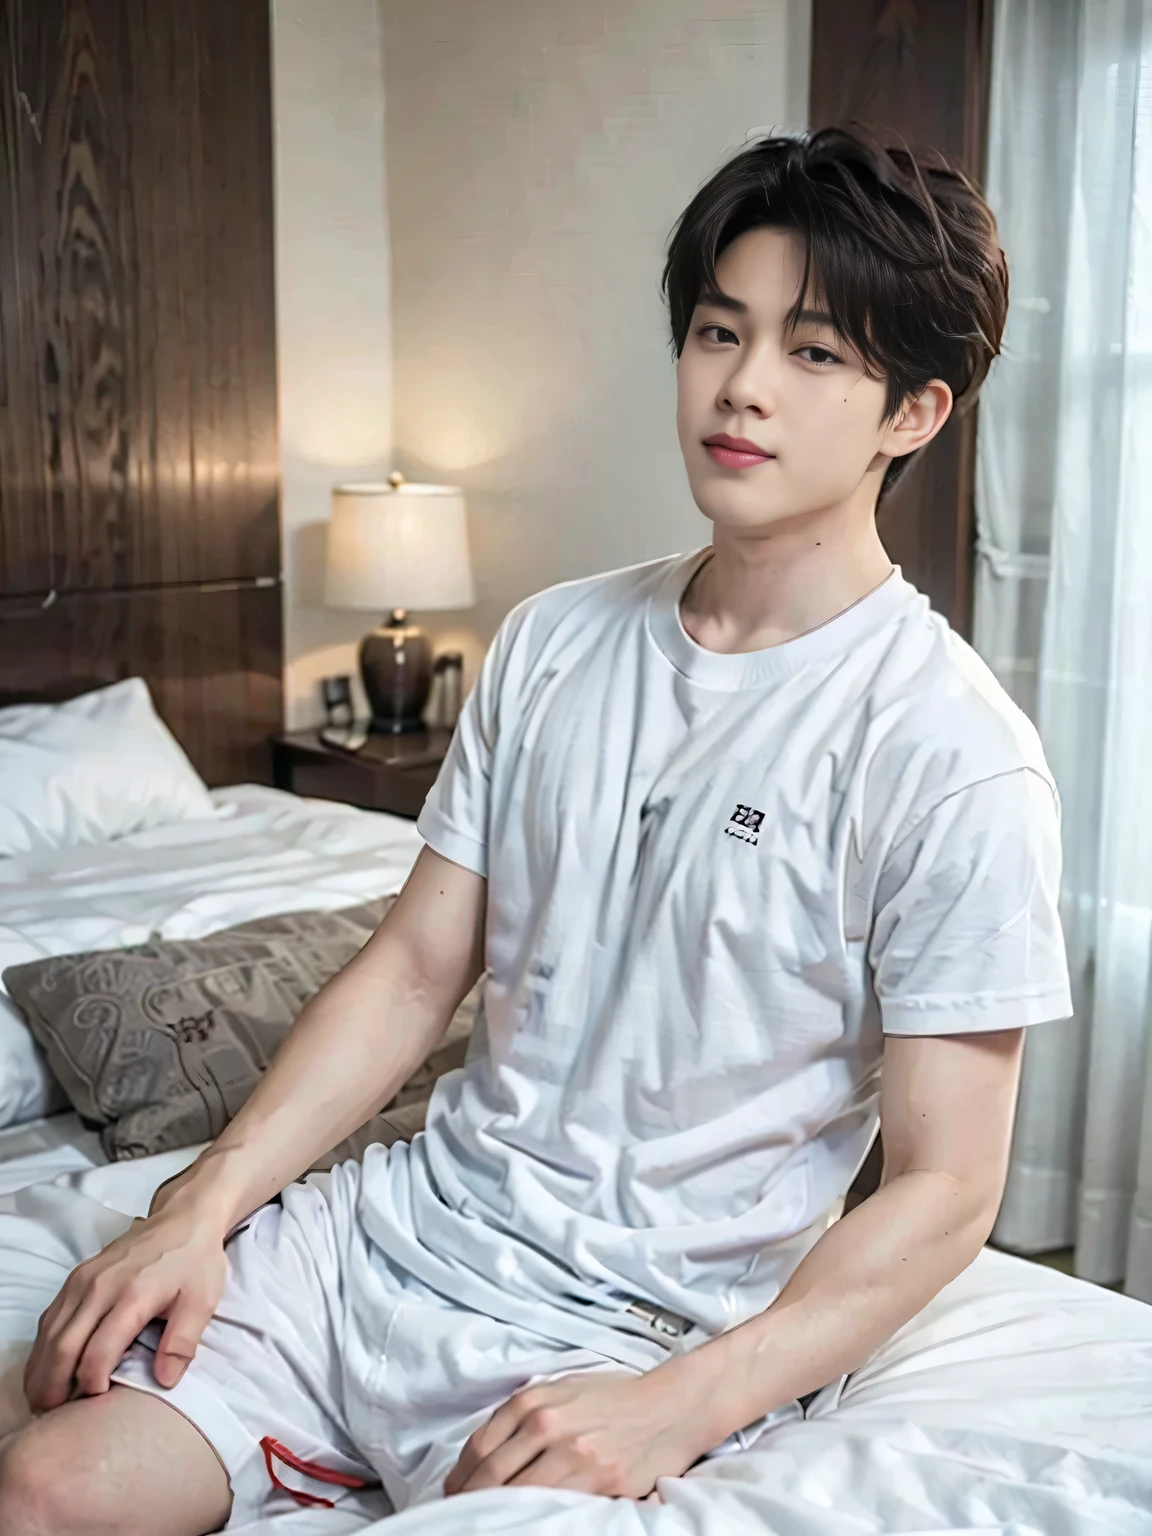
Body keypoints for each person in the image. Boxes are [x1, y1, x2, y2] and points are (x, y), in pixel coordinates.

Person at [0, 126, 1070, 1535]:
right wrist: (206, 1202)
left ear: (913, 413)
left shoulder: (952, 751)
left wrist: (685, 1402)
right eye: (716, 332)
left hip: (636, 1333)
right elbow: (410, 972)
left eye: (815, 353)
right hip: (394, 1235)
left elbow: (945, 1189)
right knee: (47, 1479)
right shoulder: (554, 639)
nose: (742, 387)